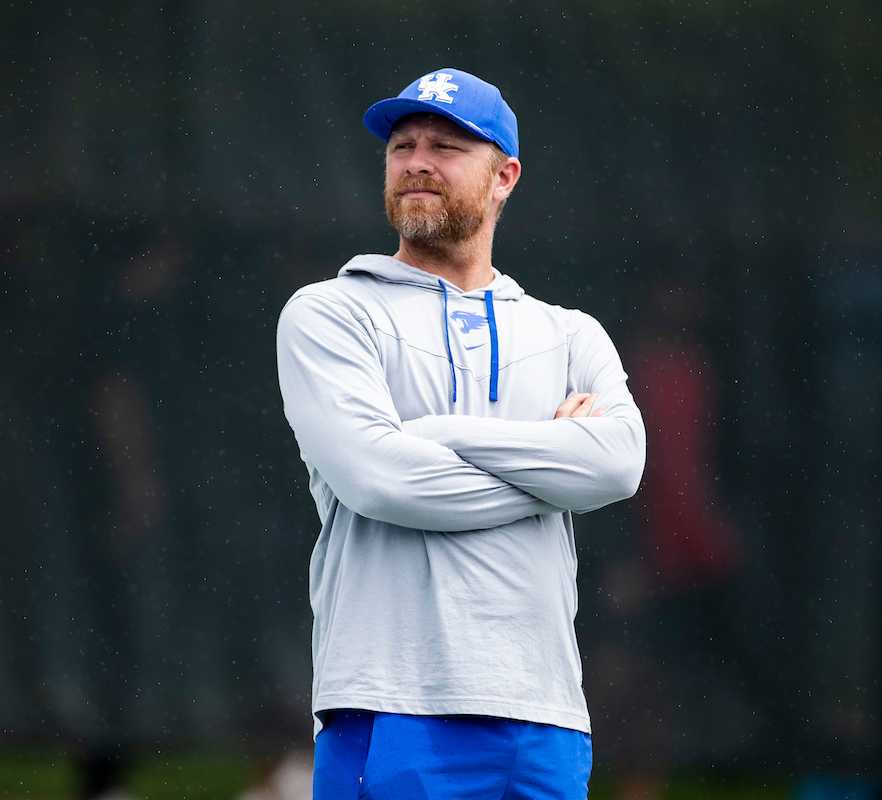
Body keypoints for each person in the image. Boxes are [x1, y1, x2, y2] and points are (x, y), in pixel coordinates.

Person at [275, 67, 647, 799]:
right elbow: (381, 479)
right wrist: (550, 470)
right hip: (391, 703)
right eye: (402, 145)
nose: (416, 160)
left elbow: (619, 467)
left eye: (446, 146)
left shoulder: (570, 333)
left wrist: (436, 434)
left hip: (546, 716)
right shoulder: (331, 313)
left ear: (505, 176)